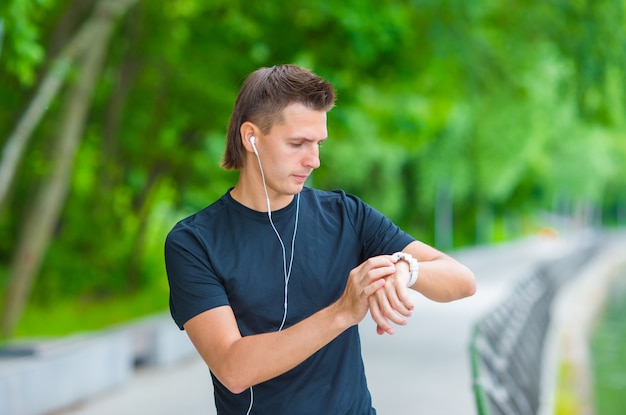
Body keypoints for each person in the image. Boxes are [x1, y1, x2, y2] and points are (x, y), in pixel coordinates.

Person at [164, 64, 476, 414]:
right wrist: (343, 311)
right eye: (297, 144)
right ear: (251, 137)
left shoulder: (346, 214)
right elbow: (233, 370)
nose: (313, 160)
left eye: (318, 144)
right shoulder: (194, 242)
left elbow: (462, 280)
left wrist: (405, 268)